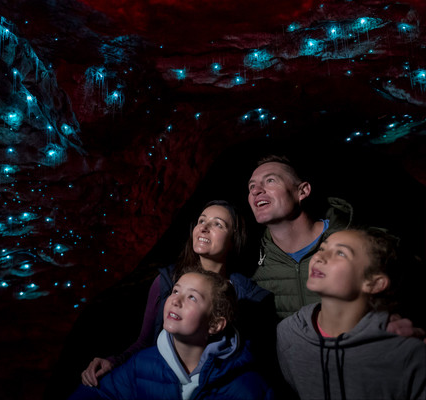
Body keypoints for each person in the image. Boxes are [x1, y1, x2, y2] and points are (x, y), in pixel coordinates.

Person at [81, 200, 274, 388]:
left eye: (217, 224)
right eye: (201, 221)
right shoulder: (166, 282)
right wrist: (113, 362)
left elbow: (254, 359)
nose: (204, 228)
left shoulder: (249, 297)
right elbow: (144, 342)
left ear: (234, 239)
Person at [247, 154, 425, 340]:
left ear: (303, 191)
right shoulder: (251, 262)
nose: (256, 190)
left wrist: (413, 325)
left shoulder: (364, 243)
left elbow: (415, 290)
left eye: (270, 181)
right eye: (251, 186)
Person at [69, 270, 274, 400]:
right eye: (175, 291)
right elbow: (99, 393)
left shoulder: (247, 387)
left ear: (214, 324)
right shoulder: (141, 365)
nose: (176, 300)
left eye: (192, 297)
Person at [276, 227, 426, 399]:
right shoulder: (288, 334)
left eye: (340, 253)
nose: (319, 257)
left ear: (374, 283)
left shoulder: (406, 352)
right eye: (322, 248)